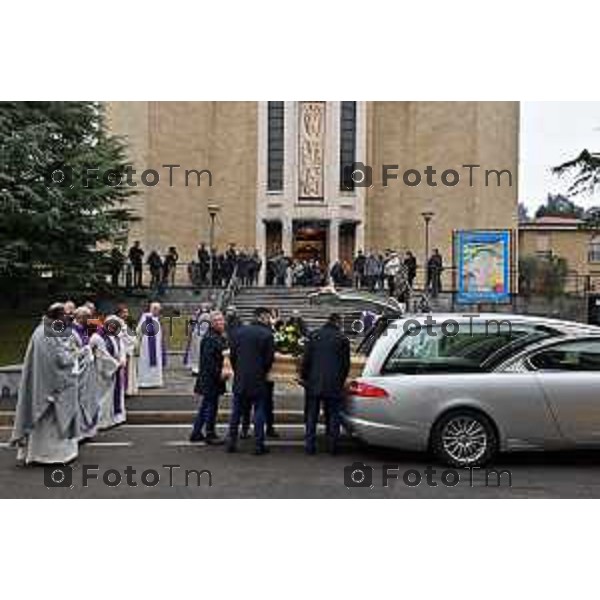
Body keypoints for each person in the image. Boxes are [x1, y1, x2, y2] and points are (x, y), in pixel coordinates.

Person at [11, 303, 80, 465]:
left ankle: (37, 454)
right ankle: (52, 456)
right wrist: (76, 354)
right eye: (64, 314)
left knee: (41, 424)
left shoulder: (41, 330)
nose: (66, 317)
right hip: (52, 388)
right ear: (57, 315)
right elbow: (60, 360)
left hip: (41, 384)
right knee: (51, 423)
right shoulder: (49, 332)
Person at [225, 307, 275, 455]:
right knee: (259, 411)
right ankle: (258, 445)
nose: (269, 320)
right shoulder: (267, 334)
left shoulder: (238, 333)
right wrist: (262, 371)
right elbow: (269, 360)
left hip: (241, 377)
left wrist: (238, 370)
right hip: (258, 377)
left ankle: (231, 442)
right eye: (268, 317)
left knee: (236, 412)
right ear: (262, 317)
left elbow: (232, 356)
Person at [300, 313, 350, 455]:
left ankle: (310, 446)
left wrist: (305, 377)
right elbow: (346, 365)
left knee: (312, 415)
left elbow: (306, 359)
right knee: (334, 415)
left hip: (314, 381)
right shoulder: (342, 339)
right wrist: (341, 380)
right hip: (334, 382)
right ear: (339, 323)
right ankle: (333, 446)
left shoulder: (314, 335)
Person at [190, 311, 228, 443]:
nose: (221, 323)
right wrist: (220, 374)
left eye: (222, 320)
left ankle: (196, 432)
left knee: (206, 405)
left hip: (210, 378)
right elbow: (209, 362)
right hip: (211, 379)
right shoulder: (211, 338)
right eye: (217, 321)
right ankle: (210, 433)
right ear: (212, 323)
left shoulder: (216, 336)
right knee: (211, 407)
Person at [91, 316, 127, 430]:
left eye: (115, 325)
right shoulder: (98, 337)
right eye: (111, 325)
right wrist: (115, 364)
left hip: (115, 370)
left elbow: (122, 349)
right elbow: (102, 355)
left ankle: (114, 418)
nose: (113, 327)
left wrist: (122, 359)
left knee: (114, 395)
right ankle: (101, 421)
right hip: (103, 371)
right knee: (104, 396)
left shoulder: (116, 336)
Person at [70, 305, 98, 440]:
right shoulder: (71, 332)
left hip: (87, 373)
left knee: (88, 401)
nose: (89, 320)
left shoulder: (83, 330)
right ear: (81, 318)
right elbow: (71, 354)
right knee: (79, 402)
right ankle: (80, 432)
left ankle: (87, 430)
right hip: (79, 373)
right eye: (88, 318)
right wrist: (86, 350)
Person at [137, 302, 166, 388]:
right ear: (153, 309)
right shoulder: (146, 318)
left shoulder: (155, 318)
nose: (159, 312)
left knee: (155, 363)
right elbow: (139, 331)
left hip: (156, 347)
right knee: (145, 363)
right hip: (146, 348)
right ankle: (145, 381)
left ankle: (155, 381)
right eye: (158, 310)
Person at [115, 303, 138, 396]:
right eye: (124, 312)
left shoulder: (125, 323)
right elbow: (121, 337)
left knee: (129, 372)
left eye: (127, 312)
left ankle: (127, 389)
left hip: (129, 350)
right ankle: (123, 390)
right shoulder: (117, 323)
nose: (126, 314)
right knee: (124, 373)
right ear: (119, 314)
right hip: (124, 351)